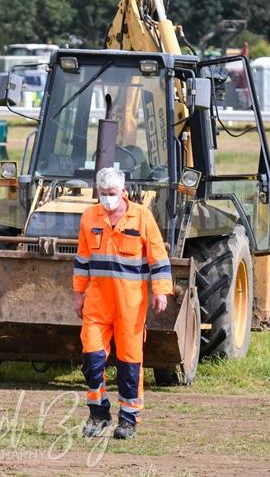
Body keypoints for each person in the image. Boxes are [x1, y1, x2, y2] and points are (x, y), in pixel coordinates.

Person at [73, 167, 173, 440]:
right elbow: (82, 260)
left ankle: (128, 419)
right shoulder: (88, 217)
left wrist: (160, 291)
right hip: (97, 303)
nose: (108, 199)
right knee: (92, 359)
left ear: (123, 192)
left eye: (112, 193)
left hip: (131, 305)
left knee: (130, 364)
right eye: (103, 194)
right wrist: (78, 293)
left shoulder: (141, 217)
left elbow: (158, 257)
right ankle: (98, 414)